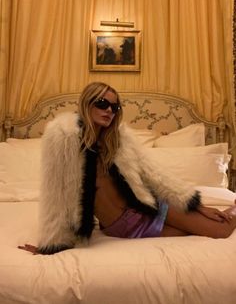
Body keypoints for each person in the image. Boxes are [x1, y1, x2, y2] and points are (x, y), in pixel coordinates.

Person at [19, 82, 236, 255]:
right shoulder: (64, 139)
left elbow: (155, 176)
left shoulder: (117, 139)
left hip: (147, 207)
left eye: (115, 107)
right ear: (87, 102)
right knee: (206, 229)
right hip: (123, 226)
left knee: (220, 230)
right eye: (103, 103)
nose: (109, 111)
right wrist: (51, 244)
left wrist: (196, 205)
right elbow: (56, 193)